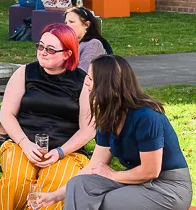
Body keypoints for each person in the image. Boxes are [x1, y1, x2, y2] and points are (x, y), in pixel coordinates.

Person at [33, 56, 191, 210]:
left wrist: (113, 175)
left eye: (91, 78)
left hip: (168, 188)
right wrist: (54, 196)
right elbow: (94, 165)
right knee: (78, 185)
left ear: (107, 85)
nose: (86, 82)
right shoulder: (109, 116)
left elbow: (150, 171)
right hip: (134, 180)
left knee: (108, 202)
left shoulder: (147, 117)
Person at [0, 23, 94, 209]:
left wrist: (60, 151)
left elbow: (88, 129)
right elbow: (7, 114)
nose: (43, 52)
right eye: (40, 46)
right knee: (17, 181)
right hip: (22, 144)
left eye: (50, 49)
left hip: (66, 151)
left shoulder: (82, 81)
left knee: (54, 186)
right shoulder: (25, 73)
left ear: (67, 54)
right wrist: (25, 143)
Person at [65, 7, 112, 73]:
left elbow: (82, 73)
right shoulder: (68, 43)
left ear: (86, 25)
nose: (67, 26)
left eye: (71, 22)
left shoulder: (93, 44)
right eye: (66, 23)